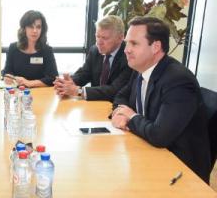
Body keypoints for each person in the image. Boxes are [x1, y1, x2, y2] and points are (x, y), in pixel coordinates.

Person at [111, 16, 211, 182]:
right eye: (127, 43)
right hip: (148, 152)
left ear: (155, 47)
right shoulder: (140, 68)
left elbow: (159, 136)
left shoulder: (178, 81)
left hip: (179, 171)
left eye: (134, 44)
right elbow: (121, 96)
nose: (126, 49)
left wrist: (131, 117)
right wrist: (119, 112)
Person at [53, 15, 131, 101]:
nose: (99, 42)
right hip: (94, 104)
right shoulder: (95, 50)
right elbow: (84, 74)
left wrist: (78, 91)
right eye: (97, 36)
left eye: (104, 38)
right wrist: (68, 83)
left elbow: (114, 90)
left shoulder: (128, 56)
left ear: (120, 38)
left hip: (116, 107)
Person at [2, 10, 58, 87]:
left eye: (38, 27)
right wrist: (8, 77)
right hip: (18, 92)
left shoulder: (47, 50)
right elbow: (7, 72)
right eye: (31, 27)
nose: (35, 31)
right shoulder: (13, 48)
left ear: (42, 30)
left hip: (40, 93)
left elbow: (53, 78)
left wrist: (29, 83)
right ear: (24, 29)